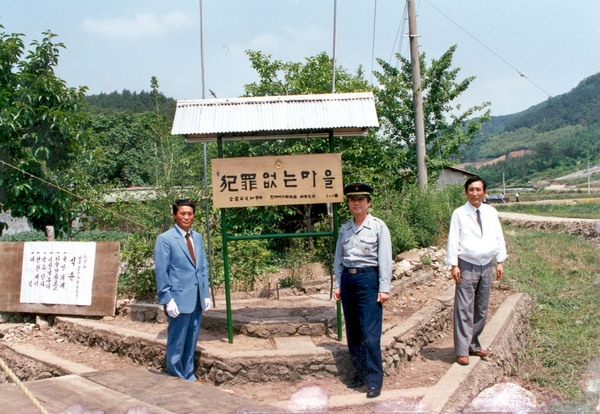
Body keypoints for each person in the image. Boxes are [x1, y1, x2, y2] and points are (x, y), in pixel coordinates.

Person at [333, 183, 393, 399]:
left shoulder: (378, 226)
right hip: (349, 279)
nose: (356, 203)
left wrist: (384, 288)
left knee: (370, 334)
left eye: (361, 199)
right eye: (352, 199)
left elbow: (385, 259)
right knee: (354, 331)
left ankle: (374, 380)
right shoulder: (345, 229)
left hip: (369, 279)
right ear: (348, 203)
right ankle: (360, 374)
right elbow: (339, 259)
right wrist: (337, 284)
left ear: (368, 202)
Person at [445, 176, 507, 366]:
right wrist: (454, 264)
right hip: (466, 264)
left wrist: (500, 261)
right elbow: (453, 239)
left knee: (481, 307)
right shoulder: (459, 213)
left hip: (486, 264)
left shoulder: (490, 212)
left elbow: (498, 236)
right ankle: (462, 350)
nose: (475, 193)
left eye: (478, 190)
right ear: (466, 192)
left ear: (484, 192)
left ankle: (474, 344)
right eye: (471, 190)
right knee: (464, 308)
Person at [154, 199, 211, 381]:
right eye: (182, 214)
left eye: (190, 214)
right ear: (175, 215)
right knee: (177, 340)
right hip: (177, 298)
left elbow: (201, 268)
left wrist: (206, 294)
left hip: (196, 298)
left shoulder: (198, 237)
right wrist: (167, 298)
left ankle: (188, 374)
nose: (187, 217)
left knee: (192, 338)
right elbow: (162, 271)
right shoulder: (165, 239)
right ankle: (176, 376)